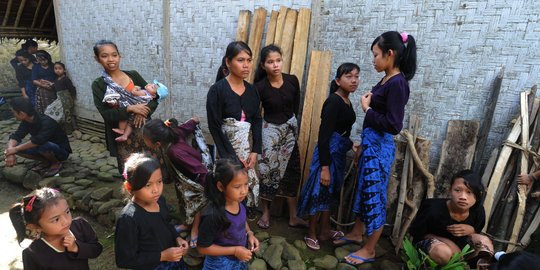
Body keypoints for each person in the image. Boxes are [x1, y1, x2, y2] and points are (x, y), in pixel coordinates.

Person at [338, 31, 418, 265]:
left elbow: (394, 125)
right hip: (370, 145)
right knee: (364, 190)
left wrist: (367, 110)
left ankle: (370, 248)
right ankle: (356, 233)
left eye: (375, 55)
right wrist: (363, 145)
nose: (373, 60)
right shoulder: (386, 79)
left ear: (390, 54)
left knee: (374, 196)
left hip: (380, 148)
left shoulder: (398, 84)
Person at [296, 63, 360, 250]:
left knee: (330, 194)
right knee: (320, 191)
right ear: (338, 80)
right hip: (327, 156)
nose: (354, 80)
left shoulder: (347, 100)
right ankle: (311, 232)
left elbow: (341, 132)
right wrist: (324, 167)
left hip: (338, 155)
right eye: (349, 76)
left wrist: (350, 144)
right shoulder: (333, 101)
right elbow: (324, 137)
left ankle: (325, 230)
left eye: (356, 76)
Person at [253, 44, 307, 229]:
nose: (275, 65)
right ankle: (266, 213)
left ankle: (293, 216)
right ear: (263, 65)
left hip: (289, 134)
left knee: (292, 171)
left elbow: (296, 107)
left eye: (278, 60)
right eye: (270, 62)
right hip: (269, 135)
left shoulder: (292, 80)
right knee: (267, 173)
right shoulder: (259, 87)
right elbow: (255, 114)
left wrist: (290, 128)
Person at [206, 41, 262, 208]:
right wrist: (231, 158)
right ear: (228, 62)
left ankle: (241, 224)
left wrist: (255, 151)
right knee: (228, 187)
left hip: (246, 150)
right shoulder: (217, 90)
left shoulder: (252, 91)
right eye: (240, 60)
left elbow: (257, 120)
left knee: (244, 188)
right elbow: (214, 127)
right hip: (225, 150)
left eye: (249, 60)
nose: (246, 65)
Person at [91, 40, 159, 173]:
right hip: (123, 136)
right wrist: (130, 109)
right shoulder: (99, 84)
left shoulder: (133, 75)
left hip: (144, 130)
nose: (111, 59)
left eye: (114, 55)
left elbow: (153, 98)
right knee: (130, 171)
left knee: (151, 168)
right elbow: (106, 114)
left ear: (119, 56)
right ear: (97, 59)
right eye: (104, 56)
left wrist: (142, 112)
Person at [143, 117, 210, 248]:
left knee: (195, 202)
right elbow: (186, 127)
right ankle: (186, 223)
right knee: (183, 199)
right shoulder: (172, 133)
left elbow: (199, 169)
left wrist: (208, 185)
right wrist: (194, 121)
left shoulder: (175, 152)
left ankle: (194, 229)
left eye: (145, 140)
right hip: (182, 178)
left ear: (157, 143)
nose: (144, 142)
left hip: (195, 178)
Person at [115, 153, 189, 270]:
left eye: (159, 182)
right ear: (129, 187)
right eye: (147, 185)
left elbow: (167, 224)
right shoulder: (129, 219)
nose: (156, 190)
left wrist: (177, 238)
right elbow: (124, 259)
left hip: (174, 263)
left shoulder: (160, 201)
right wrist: (162, 256)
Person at [409, 170, 494, 266]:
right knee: (443, 252)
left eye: (469, 192)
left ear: (478, 195)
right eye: (458, 190)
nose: (463, 197)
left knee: (486, 242)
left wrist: (471, 231)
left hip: (461, 250)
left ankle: (474, 266)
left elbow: (475, 236)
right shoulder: (432, 208)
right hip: (433, 247)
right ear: (450, 190)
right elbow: (416, 233)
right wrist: (448, 242)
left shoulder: (478, 211)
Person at [8, 187, 103, 269]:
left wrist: (76, 247)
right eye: (56, 219)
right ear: (35, 226)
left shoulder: (80, 226)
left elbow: (97, 249)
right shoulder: (33, 254)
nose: (66, 221)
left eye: (67, 212)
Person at [197, 158, 260, 269]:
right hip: (219, 263)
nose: (244, 191)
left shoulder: (239, 201)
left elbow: (241, 220)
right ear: (221, 186)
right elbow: (202, 248)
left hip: (238, 257)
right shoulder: (213, 215)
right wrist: (235, 250)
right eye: (237, 187)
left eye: (246, 184)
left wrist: (250, 233)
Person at [4, 97, 72, 177]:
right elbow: (16, 136)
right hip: (42, 148)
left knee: (42, 145)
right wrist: (10, 152)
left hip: (61, 152)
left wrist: (14, 149)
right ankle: (46, 161)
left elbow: (38, 141)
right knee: (16, 146)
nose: (13, 115)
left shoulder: (47, 122)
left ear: (22, 114)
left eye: (14, 112)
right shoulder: (26, 121)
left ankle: (55, 163)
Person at [52, 62, 77, 134]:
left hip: (66, 99)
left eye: (60, 68)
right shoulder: (56, 80)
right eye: (55, 68)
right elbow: (55, 90)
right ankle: (63, 129)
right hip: (59, 99)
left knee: (68, 114)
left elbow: (72, 89)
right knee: (61, 114)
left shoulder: (66, 79)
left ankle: (69, 130)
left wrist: (72, 98)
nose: (57, 70)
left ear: (64, 70)